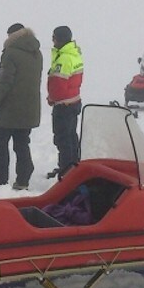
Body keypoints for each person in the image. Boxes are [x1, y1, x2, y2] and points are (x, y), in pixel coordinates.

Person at [0, 23, 43, 192]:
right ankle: (23, 179)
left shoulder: (11, 54)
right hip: (30, 108)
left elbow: (4, 82)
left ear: (13, 36)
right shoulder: (37, 53)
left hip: (10, 110)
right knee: (22, 144)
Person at [46, 25, 84, 179]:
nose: (52, 40)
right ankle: (74, 166)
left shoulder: (64, 58)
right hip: (74, 101)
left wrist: (52, 98)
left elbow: (58, 85)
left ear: (59, 39)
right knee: (71, 136)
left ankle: (66, 170)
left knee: (62, 139)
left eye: (54, 37)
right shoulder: (74, 54)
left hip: (64, 104)